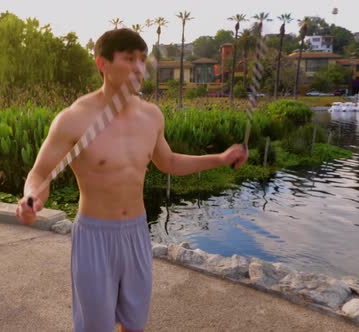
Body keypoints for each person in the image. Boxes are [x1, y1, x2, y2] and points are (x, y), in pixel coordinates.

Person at [16, 28, 248, 332]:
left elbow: (169, 162)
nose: (140, 67)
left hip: (137, 232)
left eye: (143, 59)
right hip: (94, 236)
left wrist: (219, 158)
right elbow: (40, 173)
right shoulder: (74, 118)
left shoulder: (151, 116)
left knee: (133, 324)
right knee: (95, 327)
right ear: (103, 64)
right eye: (129, 59)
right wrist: (32, 199)